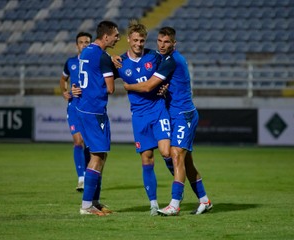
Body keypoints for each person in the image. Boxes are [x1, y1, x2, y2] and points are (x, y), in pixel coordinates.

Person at [123, 27, 212, 216]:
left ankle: (174, 203)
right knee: (185, 162)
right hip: (173, 113)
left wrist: (128, 86)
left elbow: (148, 86)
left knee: (175, 154)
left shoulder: (172, 61)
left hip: (184, 114)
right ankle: (204, 200)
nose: (162, 45)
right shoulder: (162, 58)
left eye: (167, 42)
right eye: (160, 41)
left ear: (174, 44)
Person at [114, 20, 174, 216]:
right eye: (136, 40)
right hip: (139, 116)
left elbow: (170, 73)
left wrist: (166, 87)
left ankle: (179, 181)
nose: (139, 44)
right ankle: (154, 204)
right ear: (129, 39)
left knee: (166, 152)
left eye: (142, 40)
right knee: (147, 160)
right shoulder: (119, 62)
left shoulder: (155, 57)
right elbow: (99, 72)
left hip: (158, 110)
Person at [72, 20, 120, 216]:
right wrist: (117, 70)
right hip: (94, 110)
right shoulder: (102, 57)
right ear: (106, 36)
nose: (118, 38)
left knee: (101, 155)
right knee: (97, 156)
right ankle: (86, 205)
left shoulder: (88, 51)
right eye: (116, 35)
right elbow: (110, 88)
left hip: (83, 108)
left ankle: (94, 200)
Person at [59, 31, 92, 192]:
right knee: (78, 141)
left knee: (88, 144)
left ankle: (88, 174)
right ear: (77, 45)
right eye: (81, 42)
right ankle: (81, 178)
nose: (84, 44)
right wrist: (64, 92)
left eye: (87, 42)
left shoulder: (94, 62)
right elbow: (63, 79)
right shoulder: (70, 62)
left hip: (89, 107)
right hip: (73, 106)